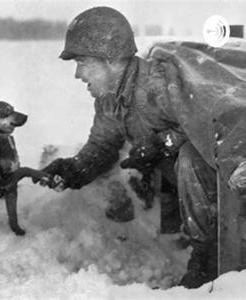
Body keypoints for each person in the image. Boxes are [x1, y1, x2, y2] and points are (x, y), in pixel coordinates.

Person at [40, 6, 246, 288]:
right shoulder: (110, 100)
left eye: (84, 64)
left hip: (221, 181)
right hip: (189, 189)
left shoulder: (160, 83)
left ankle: (208, 257)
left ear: (111, 60)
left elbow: (215, 123)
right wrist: (76, 168)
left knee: (189, 158)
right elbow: (103, 144)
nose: (78, 75)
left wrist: (163, 143)